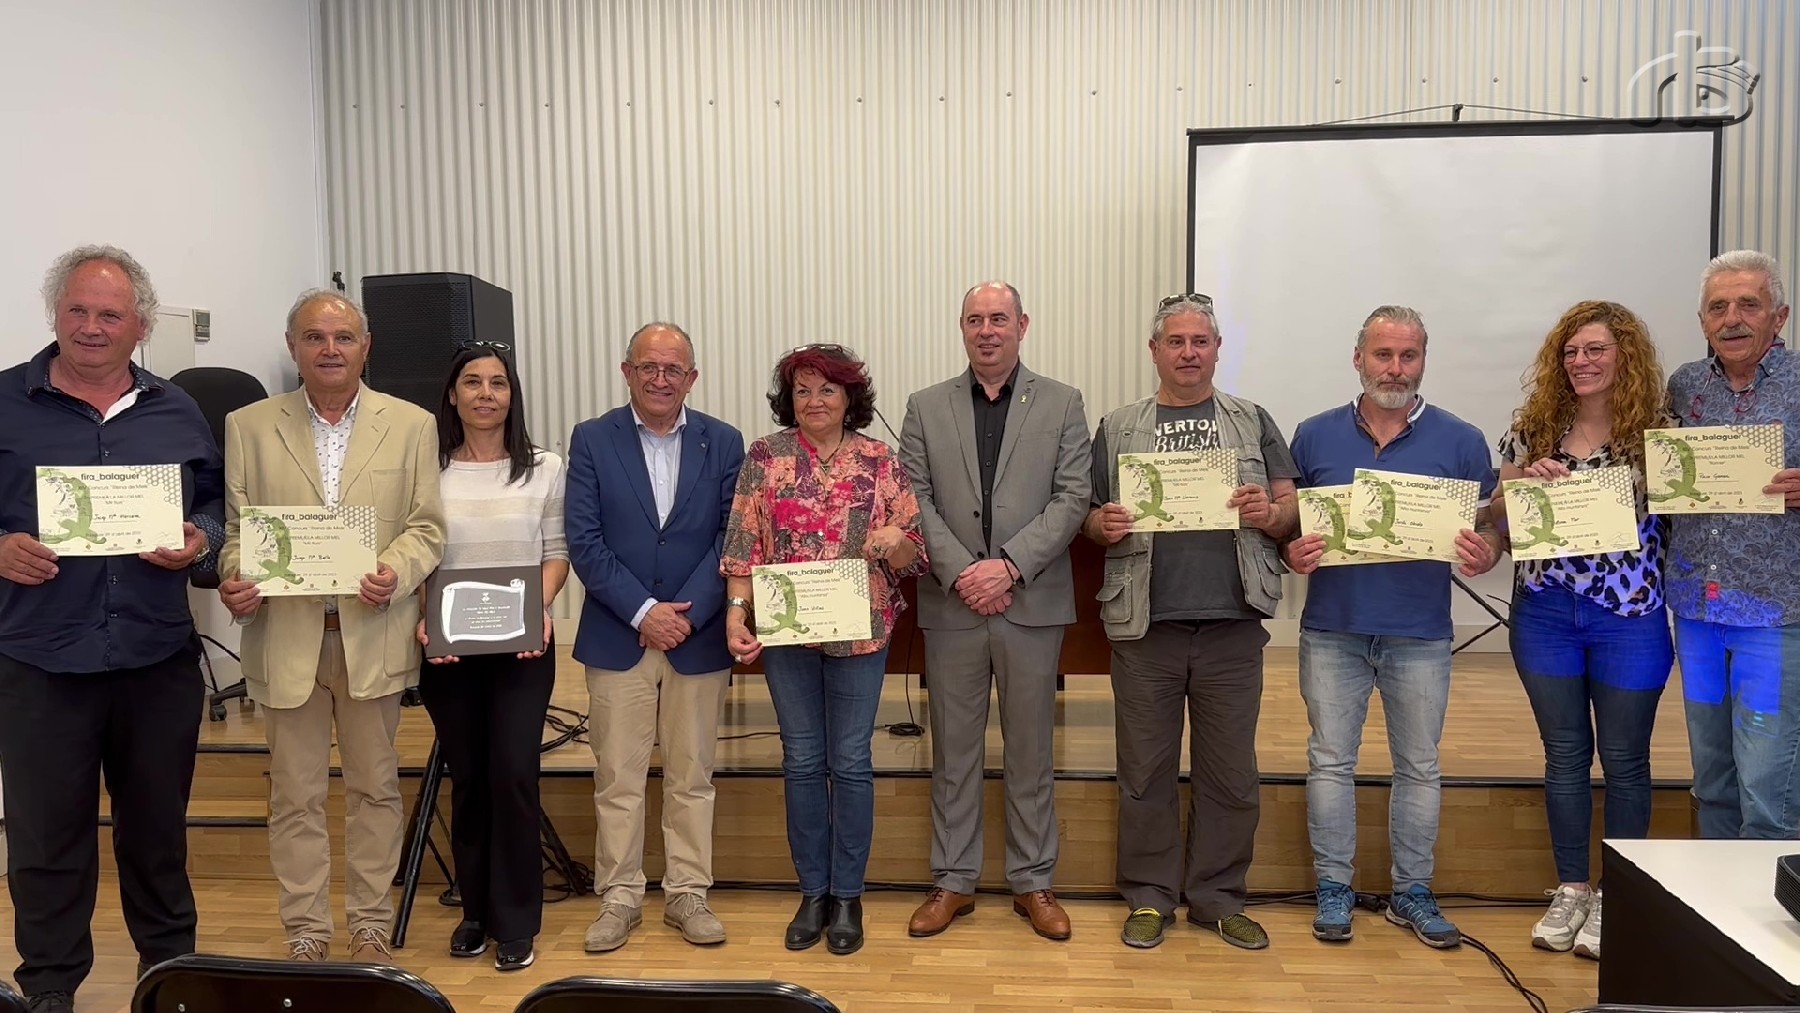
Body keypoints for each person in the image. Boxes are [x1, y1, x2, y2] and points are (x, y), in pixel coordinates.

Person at [0, 246, 223, 1013]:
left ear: (141, 326)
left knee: (157, 835)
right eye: (77, 310)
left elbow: (215, 503)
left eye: (109, 314)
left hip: (155, 658)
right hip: (40, 660)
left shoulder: (178, 409)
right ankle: (50, 989)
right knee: (45, 839)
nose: (91, 327)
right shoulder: (3, 402)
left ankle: (171, 979)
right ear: (55, 313)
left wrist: (199, 538)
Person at [218, 289, 445, 963]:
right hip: (286, 635)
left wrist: (395, 571)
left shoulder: (412, 425)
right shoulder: (248, 425)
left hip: (372, 633)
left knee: (376, 790)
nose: (330, 349)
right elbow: (237, 533)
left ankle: (370, 924)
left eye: (343, 337)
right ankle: (307, 931)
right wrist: (237, 575)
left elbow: (427, 527)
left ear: (365, 347)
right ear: (293, 347)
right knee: (295, 797)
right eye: (314, 337)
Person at [1083, 293, 1298, 950]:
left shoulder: (1252, 420)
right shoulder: (1119, 426)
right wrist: (1101, 524)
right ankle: (1149, 896)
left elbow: (1290, 509)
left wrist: (1270, 514)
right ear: (1154, 351)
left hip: (1232, 625)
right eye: (1175, 341)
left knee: (1230, 773)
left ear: (1217, 349)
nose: (1188, 352)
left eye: (1199, 341)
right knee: (1144, 772)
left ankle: (1218, 897)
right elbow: (1086, 514)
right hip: (1146, 626)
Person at [1283, 305, 1501, 949]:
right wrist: (1291, 551)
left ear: (1423, 361)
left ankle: (1412, 891)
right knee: (1330, 763)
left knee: (1420, 768)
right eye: (1383, 354)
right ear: (1359, 359)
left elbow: (1491, 525)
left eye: (1409, 356)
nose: (1396, 369)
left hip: (1420, 632)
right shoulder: (1313, 435)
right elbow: (1290, 526)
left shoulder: (1462, 439)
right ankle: (1334, 888)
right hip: (1333, 628)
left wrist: (1487, 550)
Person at [898, 281, 1091, 942]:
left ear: (1022, 325)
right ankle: (953, 879)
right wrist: (964, 572)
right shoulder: (925, 406)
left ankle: (1033, 880)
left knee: (1031, 749)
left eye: (999, 318)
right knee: (953, 750)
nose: (987, 330)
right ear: (962, 328)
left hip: (1029, 600)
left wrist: (1007, 566)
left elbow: (1073, 497)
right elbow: (915, 500)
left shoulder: (1063, 402)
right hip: (952, 603)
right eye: (975, 319)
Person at [721, 344, 926, 957]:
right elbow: (743, 545)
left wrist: (894, 538)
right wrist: (736, 612)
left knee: (852, 761)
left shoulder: (880, 460)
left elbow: (914, 555)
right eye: (803, 390)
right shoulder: (765, 457)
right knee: (803, 760)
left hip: (861, 632)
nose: (814, 401)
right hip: (787, 632)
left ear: (849, 398)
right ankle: (813, 892)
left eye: (827, 389)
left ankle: (849, 896)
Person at [1493, 301, 1673, 960]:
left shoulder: (1661, 434)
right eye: (1570, 351)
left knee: (1626, 759)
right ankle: (1571, 888)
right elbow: (1499, 520)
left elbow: (1691, 516)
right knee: (1565, 754)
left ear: (1625, 355)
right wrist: (1522, 488)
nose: (1580, 361)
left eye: (1595, 349)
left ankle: (1617, 894)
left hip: (1631, 617)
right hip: (1545, 613)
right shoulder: (1530, 430)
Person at [565, 322, 744, 954]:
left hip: (697, 637)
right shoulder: (592, 439)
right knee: (618, 775)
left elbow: (731, 538)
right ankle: (619, 896)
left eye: (673, 369)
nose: (661, 379)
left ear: (692, 378)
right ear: (627, 372)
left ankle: (688, 893)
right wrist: (644, 612)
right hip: (620, 635)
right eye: (649, 367)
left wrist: (685, 616)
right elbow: (584, 540)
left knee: (692, 775)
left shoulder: (724, 441)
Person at [414, 344, 568, 970]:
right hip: (448, 650)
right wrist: (427, 616)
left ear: (512, 395)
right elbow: (418, 553)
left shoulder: (545, 468)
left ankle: (517, 919)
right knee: (470, 776)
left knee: (513, 773)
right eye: (472, 382)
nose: (485, 394)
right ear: (452, 395)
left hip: (523, 647)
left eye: (498, 383)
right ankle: (475, 910)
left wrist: (537, 609)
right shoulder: (427, 470)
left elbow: (556, 552)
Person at [1666, 250, 1800, 839]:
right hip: (1697, 612)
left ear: (1780, 316)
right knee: (1712, 779)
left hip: (1774, 617)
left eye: (1749, 304)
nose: (1732, 319)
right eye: (1717, 307)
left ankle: (1770, 898)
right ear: (1702, 321)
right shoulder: (1684, 386)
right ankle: (1715, 896)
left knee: (1770, 789)